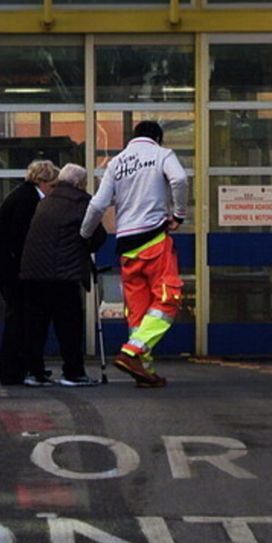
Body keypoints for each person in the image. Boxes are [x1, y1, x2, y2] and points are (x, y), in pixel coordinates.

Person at [81, 120, 188, 387]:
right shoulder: (162, 155)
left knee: (138, 312)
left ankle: (144, 371)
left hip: (126, 246)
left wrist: (83, 236)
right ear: (158, 138)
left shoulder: (116, 163)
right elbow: (180, 179)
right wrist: (179, 214)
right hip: (153, 240)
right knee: (167, 299)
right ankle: (133, 352)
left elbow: (98, 205)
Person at [20, 163, 106, 387]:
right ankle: (73, 372)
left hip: (33, 272)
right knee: (69, 325)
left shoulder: (45, 201)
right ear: (79, 183)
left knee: (36, 324)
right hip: (63, 274)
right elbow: (98, 235)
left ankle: (35, 372)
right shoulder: (81, 202)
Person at [0, 159, 60, 385]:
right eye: (52, 185)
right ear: (41, 181)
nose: (53, 191)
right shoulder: (27, 200)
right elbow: (20, 238)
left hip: (9, 266)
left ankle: (21, 367)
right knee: (19, 319)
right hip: (13, 268)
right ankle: (14, 370)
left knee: (20, 318)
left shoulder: (23, 195)